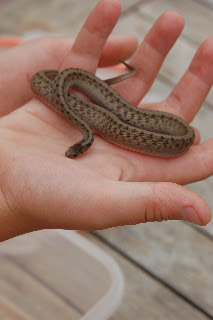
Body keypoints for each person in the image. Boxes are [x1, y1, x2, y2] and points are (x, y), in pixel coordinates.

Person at [0, 0, 212, 242]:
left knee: (181, 136)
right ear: (85, 144)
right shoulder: (79, 117)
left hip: (88, 107)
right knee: (106, 111)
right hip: (68, 96)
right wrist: (8, 197)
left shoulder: (92, 125)